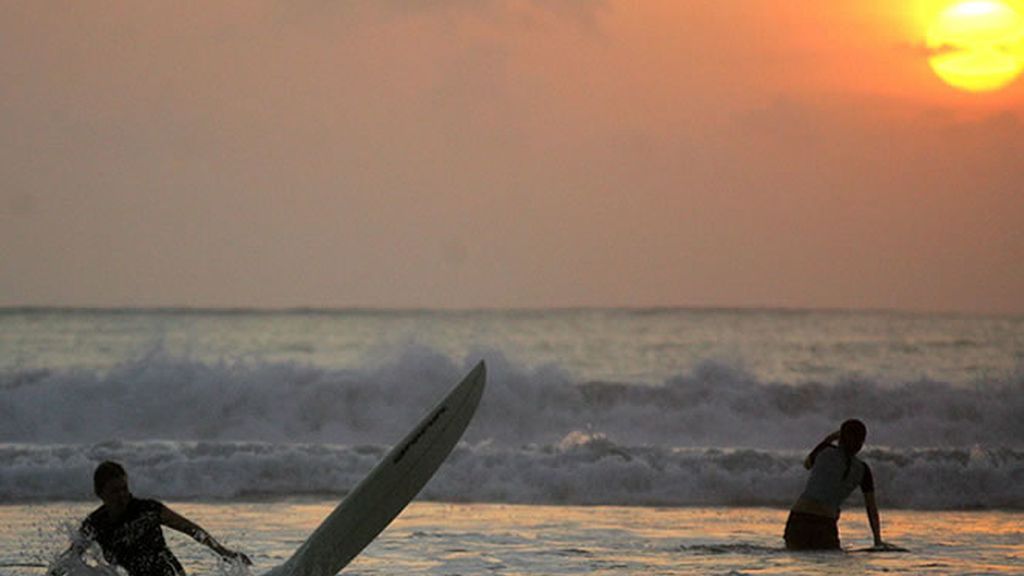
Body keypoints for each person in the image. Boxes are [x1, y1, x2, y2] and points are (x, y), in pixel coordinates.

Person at [66, 461, 250, 576]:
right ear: (100, 493)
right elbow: (71, 558)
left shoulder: (147, 509)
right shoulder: (95, 524)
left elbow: (191, 529)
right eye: (115, 491)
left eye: (124, 488)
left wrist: (224, 552)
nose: (122, 495)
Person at [784, 419, 889, 550]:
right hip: (825, 524)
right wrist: (877, 540)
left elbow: (807, 464)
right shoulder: (862, 470)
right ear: (861, 443)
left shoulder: (824, 451)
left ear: (840, 437)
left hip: (799, 518)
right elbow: (871, 509)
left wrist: (831, 437)